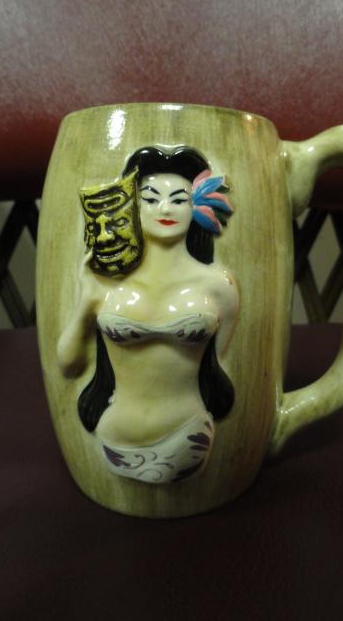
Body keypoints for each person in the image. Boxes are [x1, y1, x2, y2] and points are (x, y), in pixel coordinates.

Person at [57, 146, 239, 484]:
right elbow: (68, 366)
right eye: (151, 199)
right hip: (114, 433)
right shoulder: (106, 284)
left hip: (187, 432)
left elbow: (226, 361)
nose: (165, 208)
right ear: (131, 206)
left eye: (179, 200)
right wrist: (86, 299)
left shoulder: (218, 287)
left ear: (198, 207)